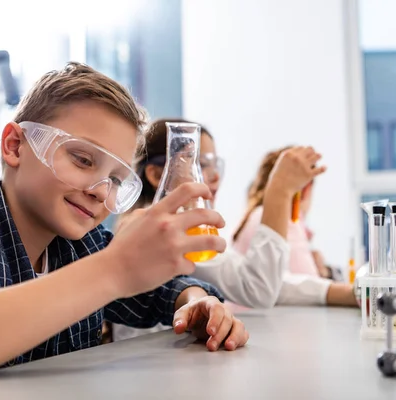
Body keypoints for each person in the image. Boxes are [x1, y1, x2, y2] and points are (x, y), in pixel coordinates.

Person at [0, 63, 249, 397]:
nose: (100, 191)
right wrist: (114, 270)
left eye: (117, 180)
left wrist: (197, 301)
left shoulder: (80, 245)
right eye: (82, 160)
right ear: (14, 146)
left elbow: (159, 293)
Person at [110, 119, 342, 342]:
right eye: (199, 164)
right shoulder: (159, 233)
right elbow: (258, 288)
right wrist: (279, 190)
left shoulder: (181, 229)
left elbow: (259, 281)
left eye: (214, 164)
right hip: (152, 364)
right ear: (157, 174)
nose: (215, 176)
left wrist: (341, 293)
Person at [232, 146, 357, 306]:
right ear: (304, 189)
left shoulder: (256, 215)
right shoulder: (284, 220)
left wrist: (324, 271)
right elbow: (302, 285)